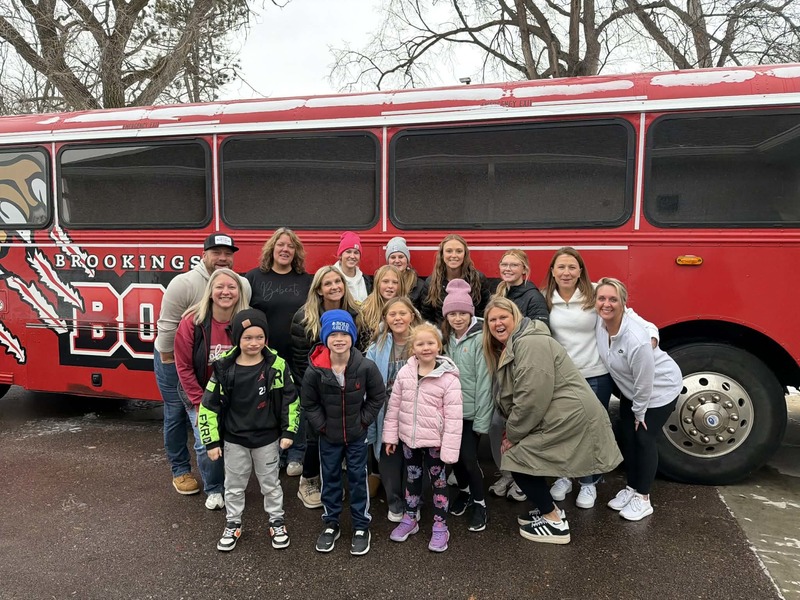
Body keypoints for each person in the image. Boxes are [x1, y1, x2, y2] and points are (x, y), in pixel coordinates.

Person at [482, 296, 622, 544]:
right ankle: (548, 509)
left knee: (516, 460)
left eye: (503, 317)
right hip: (560, 415)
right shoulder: (520, 342)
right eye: (492, 320)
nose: (497, 323)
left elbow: (531, 398)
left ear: (516, 317)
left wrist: (512, 436)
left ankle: (554, 522)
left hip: (568, 417)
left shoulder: (530, 344)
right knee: (530, 458)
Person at [544, 247, 658, 510]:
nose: (566, 272)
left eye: (572, 267)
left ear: (581, 270)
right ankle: (563, 477)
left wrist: (652, 336)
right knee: (561, 429)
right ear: (552, 271)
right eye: (561, 267)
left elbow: (633, 317)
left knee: (591, 431)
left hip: (595, 374)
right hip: (561, 377)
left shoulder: (595, 293)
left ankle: (589, 482)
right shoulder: (545, 298)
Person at [154, 232, 251, 497]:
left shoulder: (240, 284)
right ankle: (180, 470)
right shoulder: (183, 283)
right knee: (176, 412)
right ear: (203, 255)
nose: (222, 258)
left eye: (228, 254)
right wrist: (192, 391)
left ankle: (222, 475)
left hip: (214, 360)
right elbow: (167, 328)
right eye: (216, 253)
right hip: (175, 356)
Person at [198, 309, 300, 551]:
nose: (254, 343)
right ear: (237, 339)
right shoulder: (224, 368)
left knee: (271, 484)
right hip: (235, 441)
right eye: (247, 338)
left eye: (259, 337)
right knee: (233, 485)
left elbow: (291, 400)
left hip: (267, 439)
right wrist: (211, 442)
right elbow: (208, 406)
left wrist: (289, 432)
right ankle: (233, 523)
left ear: (266, 338)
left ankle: (276, 521)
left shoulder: (276, 366)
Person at [595, 277, 682, 521]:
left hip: (658, 389)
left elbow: (645, 381)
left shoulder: (636, 338)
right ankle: (631, 487)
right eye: (602, 298)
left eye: (613, 299)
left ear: (623, 303)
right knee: (627, 437)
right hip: (630, 390)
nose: (606, 304)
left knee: (643, 437)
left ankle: (643, 498)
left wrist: (640, 413)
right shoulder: (599, 321)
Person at [301, 310, 385, 555]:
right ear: (325, 338)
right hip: (328, 438)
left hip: (357, 436)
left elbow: (378, 396)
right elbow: (309, 403)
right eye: (333, 334)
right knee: (331, 479)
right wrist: (323, 426)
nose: (339, 339)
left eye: (344, 333)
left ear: (352, 336)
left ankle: (361, 526)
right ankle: (331, 523)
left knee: (359, 479)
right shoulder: (315, 371)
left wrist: (363, 421)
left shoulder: (365, 367)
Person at [290, 266, 367, 509]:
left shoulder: (356, 313)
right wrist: (314, 395)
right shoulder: (304, 317)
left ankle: (331, 482)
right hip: (317, 389)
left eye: (338, 281)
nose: (334, 287)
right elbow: (301, 362)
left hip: (348, 387)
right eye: (328, 283)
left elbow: (361, 352)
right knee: (315, 437)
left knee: (343, 436)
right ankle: (309, 480)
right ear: (319, 289)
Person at [383, 323, 463, 553]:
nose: (426, 347)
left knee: (438, 484)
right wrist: (391, 436)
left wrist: (449, 450)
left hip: (435, 443)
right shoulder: (405, 373)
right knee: (412, 480)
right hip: (410, 440)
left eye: (430, 343)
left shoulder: (449, 378)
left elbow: (454, 417)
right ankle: (410, 518)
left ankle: (440, 525)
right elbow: (395, 406)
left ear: (439, 345)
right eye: (420, 343)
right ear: (413, 348)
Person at [174, 267, 249, 510]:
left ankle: (233, 486)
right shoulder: (191, 322)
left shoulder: (247, 320)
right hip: (198, 391)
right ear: (210, 291)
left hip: (233, 394)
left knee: (234, 441)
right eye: (220, 287)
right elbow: (183, 367)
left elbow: (256, 359)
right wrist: (199, 404)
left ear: (239, 292)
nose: (225, 292)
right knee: (206, 441)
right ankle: (214, 489)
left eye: (231, 287)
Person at [245, 228, 312, 477]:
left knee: (299, 404)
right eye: (280, 245)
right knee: (271, 404)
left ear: (296, 252)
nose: (285, 250)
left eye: (291, 246)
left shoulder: (306, 280)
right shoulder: (254, 278)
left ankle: (296, 453)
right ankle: (275, 452)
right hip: (265, 355)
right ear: (271, 249)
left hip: (298, 353)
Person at [489, 248, 549, 501]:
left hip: (520, 366)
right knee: (496, 424)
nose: (508, 269)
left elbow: (541, 329)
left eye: (514, 265)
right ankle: (507, 472)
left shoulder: (533, 296)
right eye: (505, 264)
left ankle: (523, 477)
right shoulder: (501, 291)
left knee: (521, 422)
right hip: (501, 365)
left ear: (525, 269)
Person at [365, 297, 423, 522]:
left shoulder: (423, 341)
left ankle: (414, 503)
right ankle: (395, 503)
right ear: (385, 319)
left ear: (412, 315)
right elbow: (368, 380)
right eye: (392, 314)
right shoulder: (376, 348)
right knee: (389, 459)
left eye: (402, 313)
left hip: (416, 413)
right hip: (387, 413)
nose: (398, 318)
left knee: (414, 461)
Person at [441, 280, 492, 532]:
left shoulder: (480, 339)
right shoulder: (446, 338)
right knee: (454, 459)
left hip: (472, 413)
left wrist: (483, 421)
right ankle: (463, 491)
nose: (457, 318)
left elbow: (485, 382)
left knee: (469, 459)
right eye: (452, 313)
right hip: (450, 412)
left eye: (462, 313)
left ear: (471, 313)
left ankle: (480, 502)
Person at [418, 234, 491, 325]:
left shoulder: (478, 279)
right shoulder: (431, 282)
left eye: (459, 251)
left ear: (465, 254)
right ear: (442, 254)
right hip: (442, 335)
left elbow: (484, 312)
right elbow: (427, 317)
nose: (454, 255)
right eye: (449, 251)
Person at [360, 264, 406, 344]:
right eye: (385, 281)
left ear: (401, 285)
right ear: (378, 283)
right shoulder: (365, 310)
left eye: (395, 282)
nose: (390, 286)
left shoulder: (409, 310)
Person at [333, 231, 372, 303]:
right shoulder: (331, 277)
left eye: (356, 252)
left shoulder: (366, 280)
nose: (352, 256)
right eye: (348, 252)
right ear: (341, 255)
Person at [385, 236, 425, 305]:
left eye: (401, 257)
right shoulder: (381, 283)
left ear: (407, 260)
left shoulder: (419, 285)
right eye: (393, 257)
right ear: (388, 261)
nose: (397, 261)